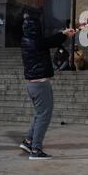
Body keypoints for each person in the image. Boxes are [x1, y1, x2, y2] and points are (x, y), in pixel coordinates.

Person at [19, 13, 75, 160]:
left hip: (34, 85)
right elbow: (49, 42)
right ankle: (36, 150)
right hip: (40, 85)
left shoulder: (27, 40)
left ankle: (28, 141)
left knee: (39, 114)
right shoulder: (35, 42)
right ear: (35, 28)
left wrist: (63, 34)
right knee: (44, 116)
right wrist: (64, 35)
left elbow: (48, 41)